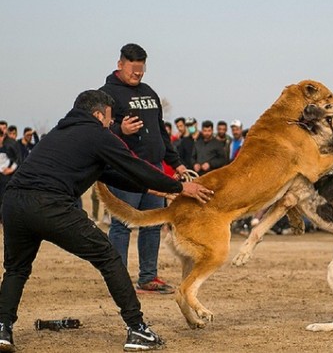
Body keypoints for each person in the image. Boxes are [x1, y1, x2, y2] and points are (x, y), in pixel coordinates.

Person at [0, 90, 213, 352]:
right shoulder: (97, 134)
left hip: (13, 203)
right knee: (109, 257)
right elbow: (132, 165)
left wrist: (157, 190)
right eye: (110, 120)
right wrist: (180, 187)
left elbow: (113, 174)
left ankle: (3, 330)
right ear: (99, 114)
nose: (111, 125)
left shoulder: (59, 132)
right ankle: (137, 329)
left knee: (17, 269)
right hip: (50, 204)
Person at [99, 43, 188, 295]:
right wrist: (120, 130)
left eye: (141, 69)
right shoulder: (105, 94)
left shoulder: (149, 92)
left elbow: (161, 132)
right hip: (125, 170)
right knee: (122, 224)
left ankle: (148, 277)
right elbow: (97, 131)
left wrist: (176, 162)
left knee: (152, 223)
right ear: (120, 64)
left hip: (155, 168)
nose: (137, 74)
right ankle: (118, 280)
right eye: (133, 69)